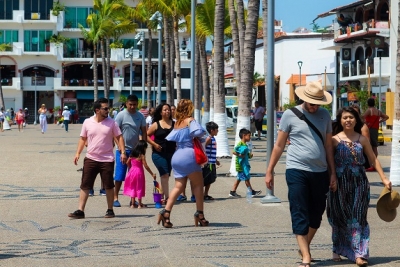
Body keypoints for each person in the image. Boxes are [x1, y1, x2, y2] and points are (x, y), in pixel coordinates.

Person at [265, 81, 337, 267]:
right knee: (299, 211)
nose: (314, 107)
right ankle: (306, 255)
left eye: (317, 103)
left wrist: (332, 173)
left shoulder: (325, 115)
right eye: (311, 103)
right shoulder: (290, 115)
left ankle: (304, 246)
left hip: (320, 171)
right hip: (296, 169)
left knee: (317, 213)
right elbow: (279, 145)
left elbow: (329, 146)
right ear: (304, 99)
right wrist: (269, 170)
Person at [327, 107, 391, 266]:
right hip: (340, 183)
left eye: (351, 117)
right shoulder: (334, 140)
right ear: (340, 121)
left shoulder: (362, 139)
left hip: (359, 183)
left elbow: (373, 159)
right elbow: (329, 162)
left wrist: (384, 178)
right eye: (344, 118)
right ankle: (338, 248)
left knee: (358, 217)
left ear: (356, 120)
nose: (348, 120)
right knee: (340, 216)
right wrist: (332, 177)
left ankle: (359, 253)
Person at [69, 98, 126, 219]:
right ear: (97, 110)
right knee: (85, 185)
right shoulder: (87, 122)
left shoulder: (112, 123)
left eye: (108, 108)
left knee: (108, 186)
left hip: (107, 159)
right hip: (91, 158)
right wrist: (77, 153)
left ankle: (110, 210)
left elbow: (119, 137)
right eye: (105, 108)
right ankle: (80, 210)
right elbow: (82, 139)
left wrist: (123, 152)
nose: (108, 110)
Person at [158, 99, 208, 228]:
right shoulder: (190, 121)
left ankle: (166, 212)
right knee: (198, 185)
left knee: (178, 186)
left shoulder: (177, 123)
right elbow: (200, 132)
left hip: (177, 156)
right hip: (189, 155)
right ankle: (200, 214)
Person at [113, 95, 147, 207]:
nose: (132, 106)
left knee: (134, 176)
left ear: (137, 104)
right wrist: (120, 148)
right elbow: (115, 133)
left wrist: (143, 148)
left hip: (135, 152)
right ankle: (115, 197)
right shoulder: (121, 115)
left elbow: (144, 132)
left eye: (134, 104)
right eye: (130, 104)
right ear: (126, 103)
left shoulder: (140, 116)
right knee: (119, 175)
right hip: (123, 151)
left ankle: (133, 199)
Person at [147, 104, 175, 204]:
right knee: (165, 175)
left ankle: (161, 196)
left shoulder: (174, 124)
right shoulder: (156, 124)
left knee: (166, 176)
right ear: (161, 112)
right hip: (158, 154)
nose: (167, 112)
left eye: (168, 110)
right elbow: (146, 136)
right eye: (165, 110)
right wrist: (154, 144)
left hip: (171, 154)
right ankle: (168, 198)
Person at [229, 128, 261, 198]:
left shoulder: (245, 145)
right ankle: (251, 192)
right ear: (244, 136)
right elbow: (234, 151)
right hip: (241, 165)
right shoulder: (240, 144)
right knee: (246, 178)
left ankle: (233, 191)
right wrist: (240, 155)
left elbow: (246, 155)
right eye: (249, 136)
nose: (250, 137)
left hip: (244, 165)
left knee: (239, 178)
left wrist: (250, 155)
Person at [123, 140, 156, 208]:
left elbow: (127, 162)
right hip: (139, 172)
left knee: (132, 187)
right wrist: (152, 173)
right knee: (139, 187)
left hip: (132, 172)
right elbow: (146, 166)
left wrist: (131, 168)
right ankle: (139, 204)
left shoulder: (132, 154)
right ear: (142, 147)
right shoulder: (141, 155)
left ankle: (132, 204)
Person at [362, 98, 389, 171]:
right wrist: (379, 121)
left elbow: (362, 117)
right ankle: (374, 164)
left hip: (369, 129)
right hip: (375, 129)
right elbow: (386, 117)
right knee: (375, 147)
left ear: (368, 103)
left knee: (369, 147)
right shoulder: (378, 111)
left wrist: (365, 122)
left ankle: (371, 165)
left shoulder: (369, 110)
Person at [203, 122, 220, 200]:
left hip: (212, 161)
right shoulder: (208, 138)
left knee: (210, 179)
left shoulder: (213, 138)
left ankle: (205, 194)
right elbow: (203, 148)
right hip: (208, 162)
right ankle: (202, 194)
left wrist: (215, 160)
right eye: (217, 130)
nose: (218, 131)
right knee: (207, 179)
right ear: (212, 130)